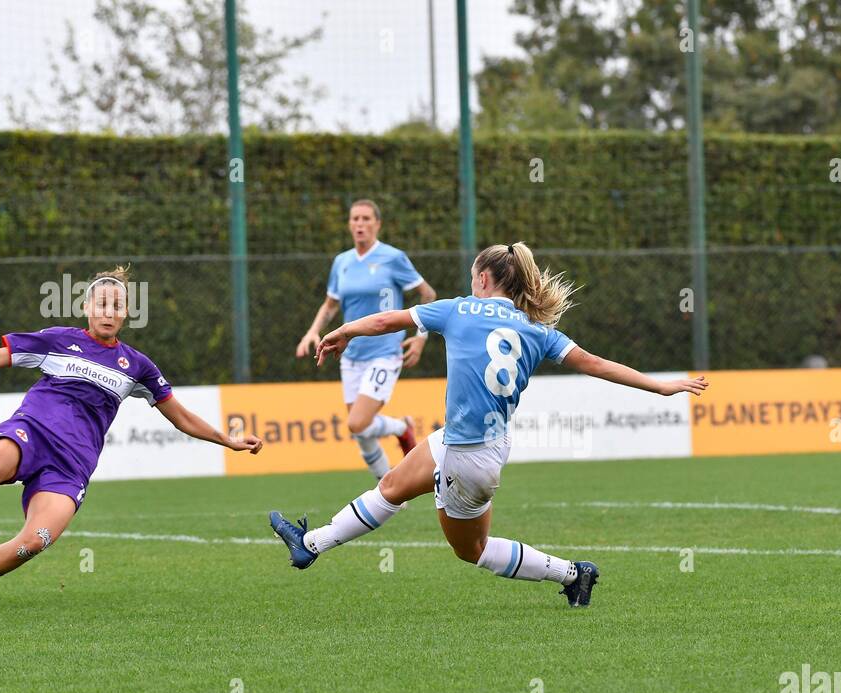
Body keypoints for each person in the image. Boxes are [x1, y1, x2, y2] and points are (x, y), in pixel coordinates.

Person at [270, 242, 708, 608]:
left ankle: (574, 574)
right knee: (391, 487)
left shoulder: (458, 309)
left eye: (472, 275)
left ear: (483, 279)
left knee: (472, 551)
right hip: (480, 443)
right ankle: (310, 545)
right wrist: (660, 387)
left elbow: (388, 320)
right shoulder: (537, 330)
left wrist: (344, 331)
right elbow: (594, 363)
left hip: (468, 456)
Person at [0, 267, 263, 611]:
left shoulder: (137, 366)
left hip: (71, 467)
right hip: (29, 433)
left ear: (126, 313)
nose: (108, 311)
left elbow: (180, 415)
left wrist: (226, 440)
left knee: (34, 541)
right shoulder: (57, 340)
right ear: (87, 307)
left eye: (117, 305)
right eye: (101, 303)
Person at [294, 199, 436, 477]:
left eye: (366, 219)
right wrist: (313, 331)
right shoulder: (342, 262)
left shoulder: (393, 258)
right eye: (355, 219)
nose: (359, 224)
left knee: (358, 423)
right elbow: (330, 305)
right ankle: (389, 487)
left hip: (384, 351)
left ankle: (400, 430)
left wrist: (421, 338)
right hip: (350, 355)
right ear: (349, 224)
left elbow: (428, 295)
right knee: (359, 429)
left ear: (377, 224)